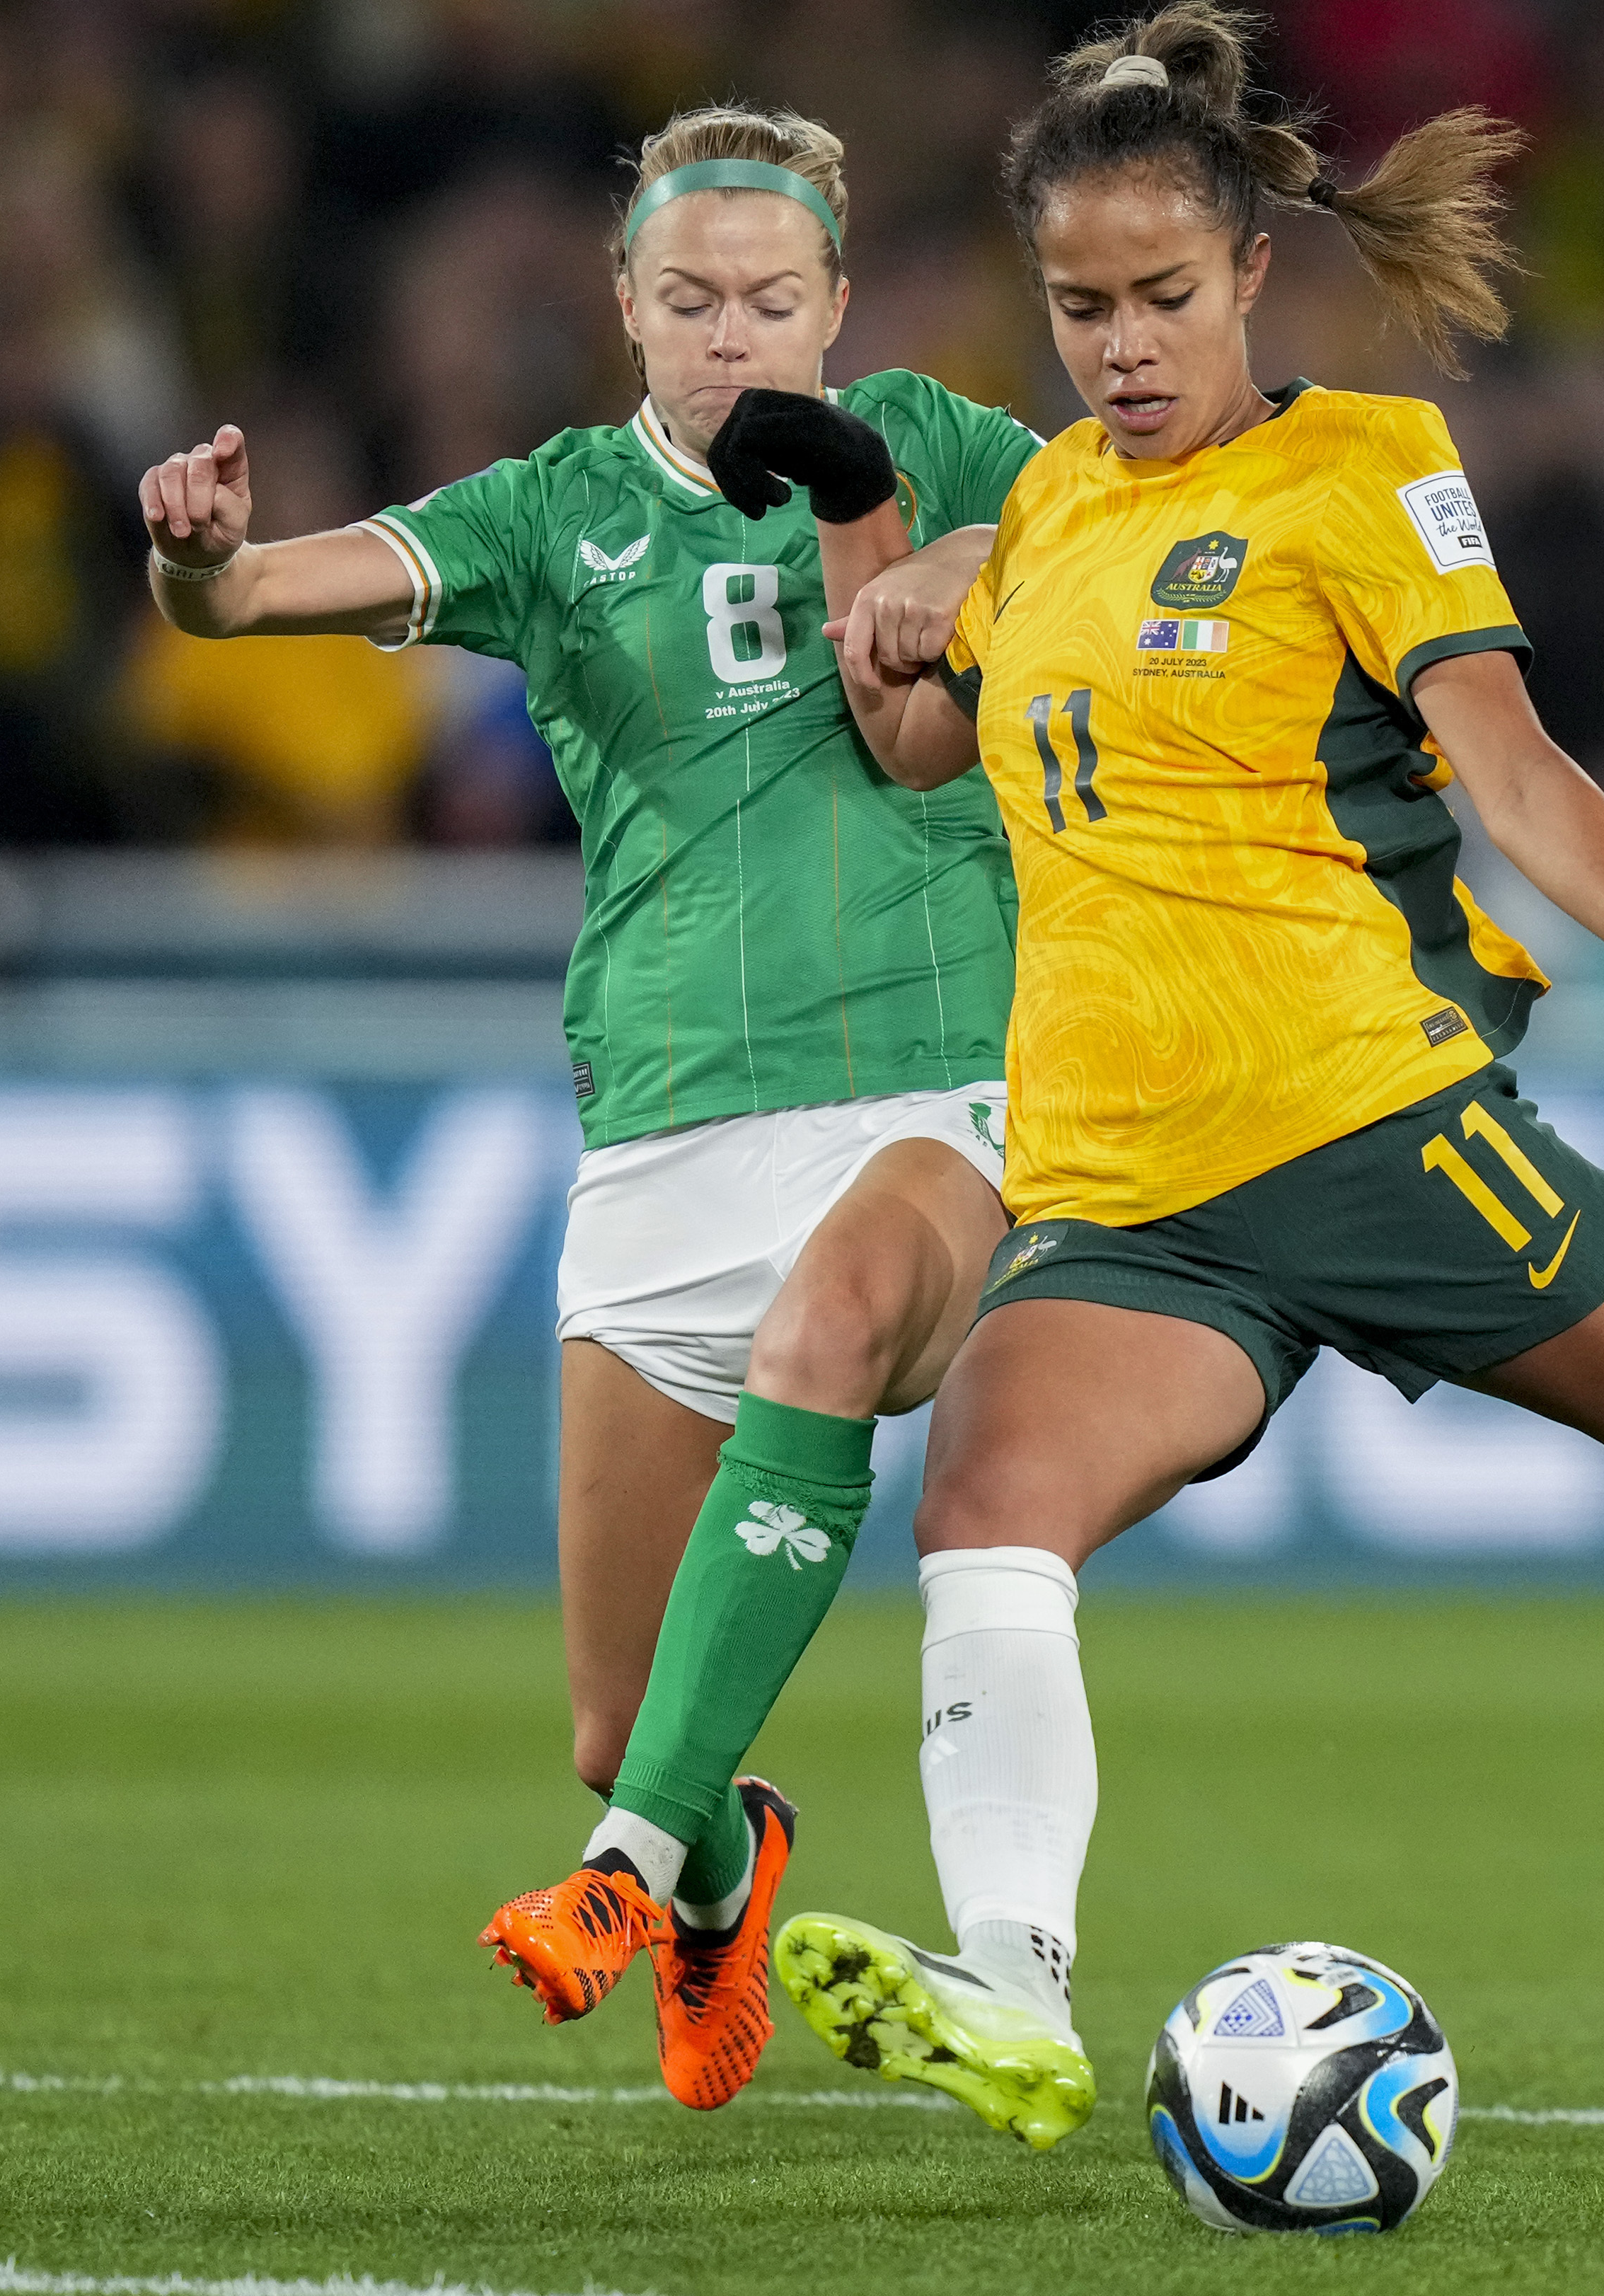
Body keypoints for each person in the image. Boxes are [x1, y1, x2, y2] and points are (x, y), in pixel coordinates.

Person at [715, 4, 1604, 2150]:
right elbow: (918, 740)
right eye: (1079, 307)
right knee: (994, 1511)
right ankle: (1012, 1989)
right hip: (1126, 1194)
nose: (1121, 346)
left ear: (1252, 277)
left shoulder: (1360, 466)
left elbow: (1509, 764)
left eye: (1162, 300)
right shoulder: (1037, 523)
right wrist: (867, 535)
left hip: (1371, 1125)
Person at [134, 105, 1039, 2112]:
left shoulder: (942, 442)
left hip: (943, 1082)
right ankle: (711, 1875)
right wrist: (196, 566)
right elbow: (270, 591)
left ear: (838, 305)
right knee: (623, 1721)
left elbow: (1113, 540)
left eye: (774, 301)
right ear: (626, 308)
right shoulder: (553, 518)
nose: (737, 340)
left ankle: (622, 1879)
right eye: (695, 301)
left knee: (833, 1325)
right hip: (665, 1129)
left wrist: (947, 546)